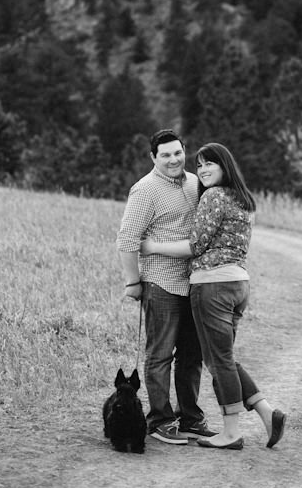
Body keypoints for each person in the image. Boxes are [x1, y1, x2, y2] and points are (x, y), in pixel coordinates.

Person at [140, 142, 287, 451]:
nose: (203, 169)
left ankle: (231, 432)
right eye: (200, 164)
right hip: (238, 285)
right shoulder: (243, 199)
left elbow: (195, 245)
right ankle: (265, 411)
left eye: (210, 164)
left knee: (219, 361)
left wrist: (152, 247)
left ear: (225, 167)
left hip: (212, 287)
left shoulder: (214, 196)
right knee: (224, 357)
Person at [116, 129, 215, 444]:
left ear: (184, 151)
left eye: (178, 153)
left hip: (196, 283)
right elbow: (127, 239)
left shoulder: (194, 182)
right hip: (161, 283)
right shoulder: (145, 190)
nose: (174, 159)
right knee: (160, 354)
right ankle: (160, 420)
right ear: (153, 158)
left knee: (192, 354)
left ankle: (190, 419)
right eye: (166, 155)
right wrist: (133, 282)